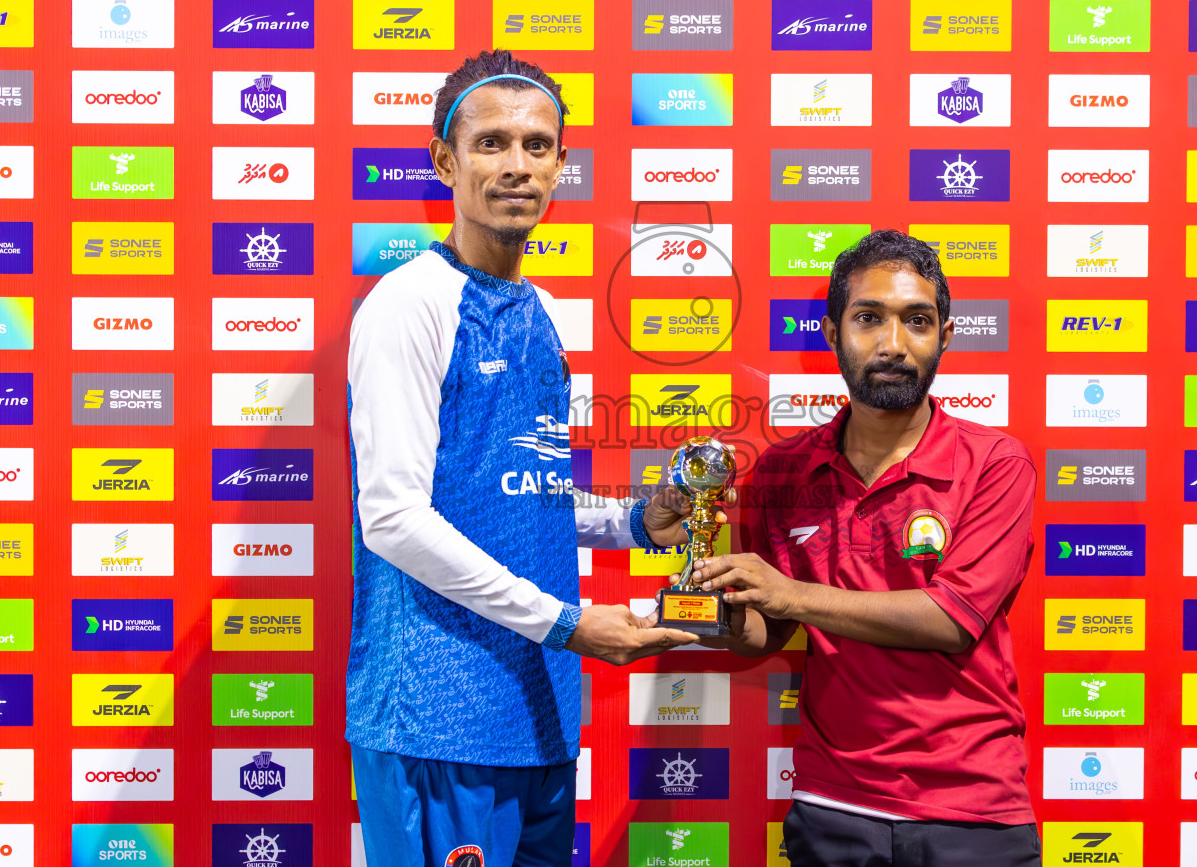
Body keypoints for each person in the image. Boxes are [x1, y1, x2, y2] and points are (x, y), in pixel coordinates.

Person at [346, 50, 709, 867]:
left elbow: (518, 488)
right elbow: (395, 521)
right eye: (492, 143)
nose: (517, 166)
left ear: (561, 166)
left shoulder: (541, 308)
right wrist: (568, 623)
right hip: (436, 715)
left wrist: (633, 521)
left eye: (537, 146)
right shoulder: (409, 305)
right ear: (445, 160)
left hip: (537, 708)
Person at [692, 229, 1041, 866]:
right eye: (868, 318)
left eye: (917, 321)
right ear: (832, 333)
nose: (893, 344)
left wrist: (790, 592)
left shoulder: (997, 463)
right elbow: (769, 632)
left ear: (946, 334)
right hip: (834, 806)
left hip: (971, 808)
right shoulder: (781, 470)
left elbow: (953, 620)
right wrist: (707, 613)